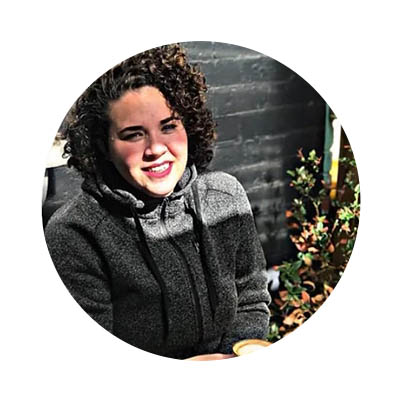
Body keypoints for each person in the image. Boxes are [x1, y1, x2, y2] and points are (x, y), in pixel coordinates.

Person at [44, 43, 271, 360]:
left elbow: (251, 298)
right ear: (103, 145)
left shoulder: (226, 197)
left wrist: (230, 357)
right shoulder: (75, 234)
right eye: (133, 134)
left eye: (168, 126)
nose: (156, 149)